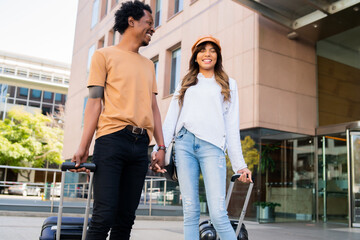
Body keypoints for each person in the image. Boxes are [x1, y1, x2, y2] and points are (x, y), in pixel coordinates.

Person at [71, 1, 166, 239]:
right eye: (149, 23)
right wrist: (84, 146)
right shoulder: (103, 56)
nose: (152, 29)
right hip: (111, 140)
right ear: (131, 22)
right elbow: (94, 102)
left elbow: (154, 108)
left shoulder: (148, 65)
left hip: (140, 144)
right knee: (104, 215)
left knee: (126, 220)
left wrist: (161, 146)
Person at [152, 35, 252, 240]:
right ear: (195, 57)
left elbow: (232, 126)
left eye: (212, 50)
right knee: (190, 209)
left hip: (212, 148)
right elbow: (171, 118)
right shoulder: (186, 83)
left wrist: (240, 165)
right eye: (202, 50)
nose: (207, 54)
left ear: (218, 56)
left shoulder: (229, 84)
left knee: (218, 213)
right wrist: (158, 148)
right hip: (184, 144)